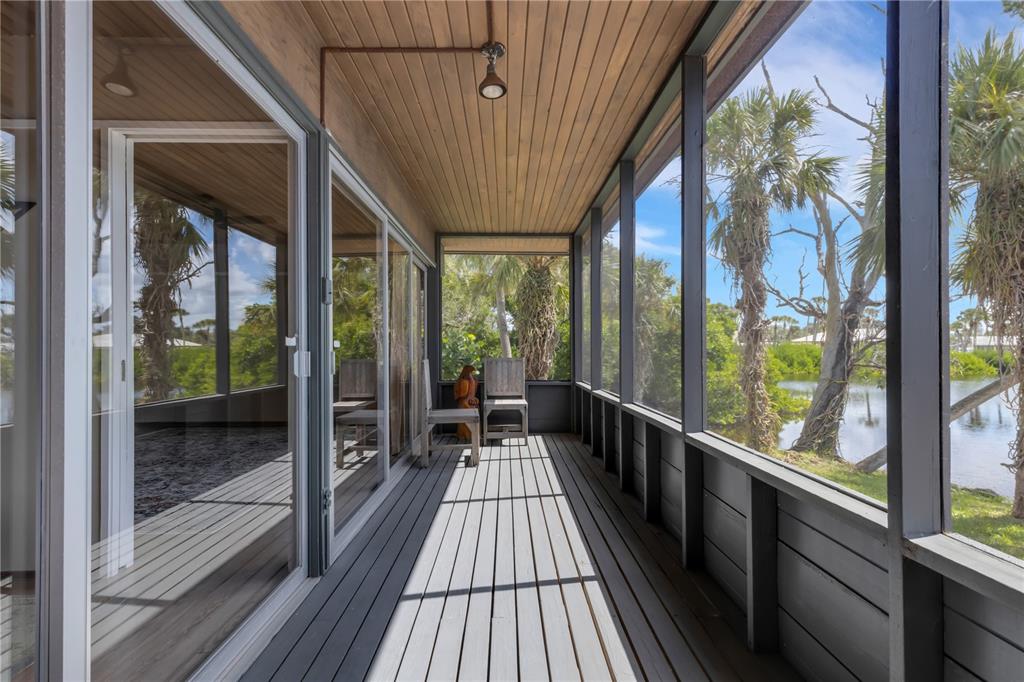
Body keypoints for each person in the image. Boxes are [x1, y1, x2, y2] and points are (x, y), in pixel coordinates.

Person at [453, 364, 479, 442]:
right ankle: (464, 435)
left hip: (469, 402)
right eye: (470, 371)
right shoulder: (464, 382)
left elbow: (470, 394)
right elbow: (462, 395)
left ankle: (471, 435)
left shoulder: (473, 380)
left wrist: (474, 399)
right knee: (465, 417)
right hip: (464, 403)